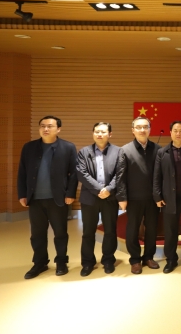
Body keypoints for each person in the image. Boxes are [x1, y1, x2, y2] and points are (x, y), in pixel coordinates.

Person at [18, 116, 78, 279]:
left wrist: (70, 193)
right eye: (42, 126)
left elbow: (74, 173)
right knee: (37, 234)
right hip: (35, 199)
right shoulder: (29, 147)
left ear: (58, 129)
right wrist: (22, 193)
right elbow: (22, 171)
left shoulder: (68, 147)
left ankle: (61, 262)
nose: (45, 129)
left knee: (60, 233)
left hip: (58, 198)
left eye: (50, 126)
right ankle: (40, 263)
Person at [116, 117, 161, 274]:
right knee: (132, 229)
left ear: (150, 129)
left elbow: (161, 175)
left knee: (152, 229)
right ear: (133, 130)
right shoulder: (125, 150)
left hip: (153, 198)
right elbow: (120, 176)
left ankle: (149, 257)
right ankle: (135, 259)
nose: (142, 130)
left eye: (145, 127)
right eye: (139, 127)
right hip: (133, 198)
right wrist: (122, 197)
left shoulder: (158, 149)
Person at [153, 121, 181, 274]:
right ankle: (171, 259)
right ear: (170, 133)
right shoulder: (162, 152)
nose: (178, 133)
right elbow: (157, 176)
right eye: (175, 130)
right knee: (170, 231)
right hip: (168, 198)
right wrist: (157, 196)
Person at [76, 122, 121, 276]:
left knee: (110, 231)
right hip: (90, 198)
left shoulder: (118, 151)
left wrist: (108, 189)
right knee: (88, 232)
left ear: (110, 134)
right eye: (96, 131)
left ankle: (108, 260)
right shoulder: (84, 152)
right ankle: (87, 262)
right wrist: (99, 189)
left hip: (110, 197)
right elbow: (82, 173)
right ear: (93, 133)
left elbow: (120, 173)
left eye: (103, 132)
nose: (99, 134)